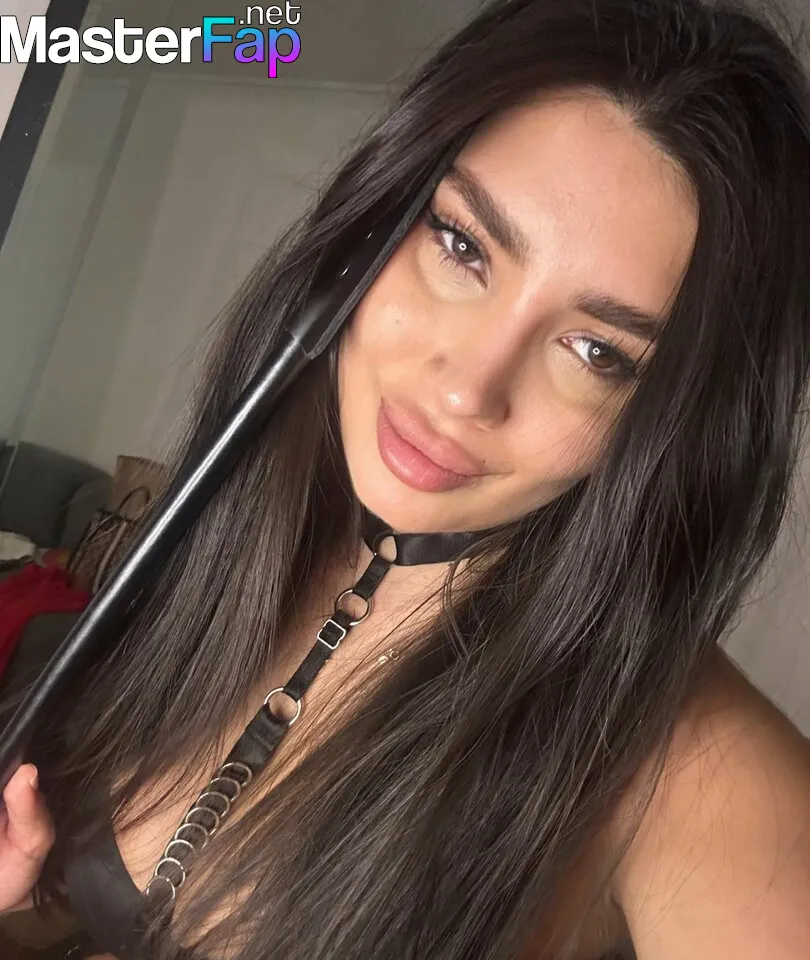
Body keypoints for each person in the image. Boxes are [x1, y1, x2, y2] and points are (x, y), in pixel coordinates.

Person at [2, 0, 810, 957]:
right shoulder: (239, 527)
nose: (466, 390)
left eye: (599, 352)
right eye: (463, 247)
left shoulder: (701, 772)